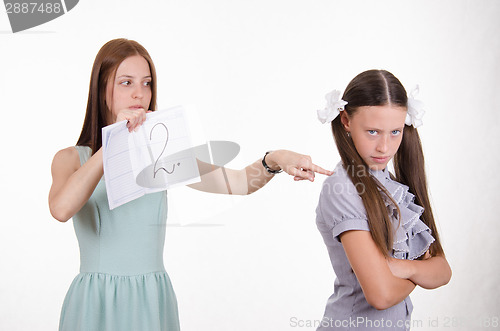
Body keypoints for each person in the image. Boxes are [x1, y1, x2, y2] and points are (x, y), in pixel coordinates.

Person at [48, 38, 332, 331]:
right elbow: (61, 208)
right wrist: (114, 143)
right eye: (126, 82)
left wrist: (276, 158)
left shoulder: (160, 155)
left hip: (152, 299)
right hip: (97, 303)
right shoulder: (71, 158)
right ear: (101, 88)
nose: (139, 94)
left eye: (147, 83)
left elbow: (238, 182)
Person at [315, 69, 451, 330]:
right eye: (373, 132)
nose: (385, 147)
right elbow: (381, 295)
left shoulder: (394, 186)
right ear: (345, 120)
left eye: (395, 132)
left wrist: (402, 268)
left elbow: (443, 270)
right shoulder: (342, 188)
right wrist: (417, 272)